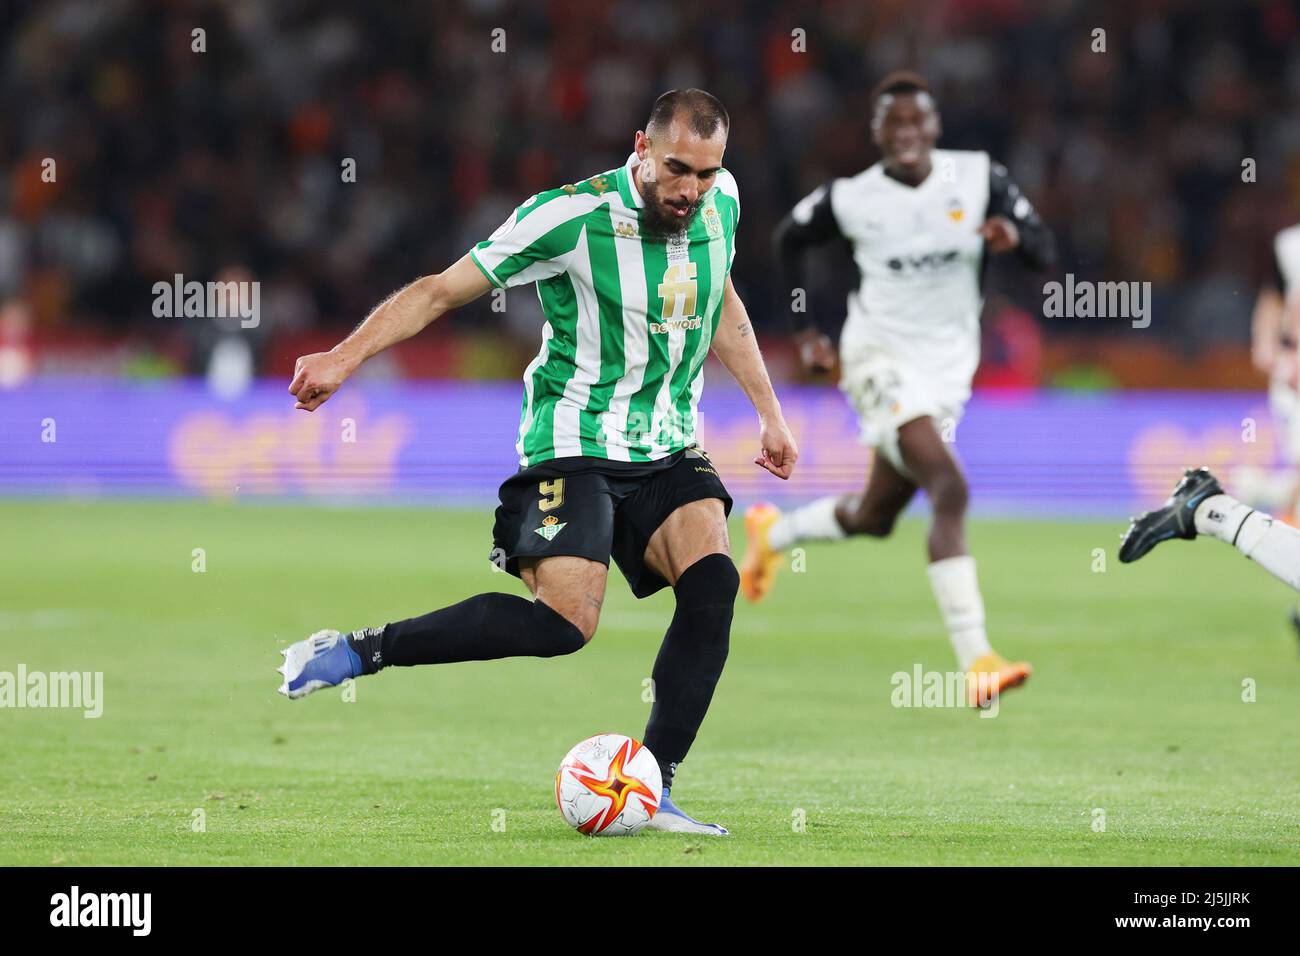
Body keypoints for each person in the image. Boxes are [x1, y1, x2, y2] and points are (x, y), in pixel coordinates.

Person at [279, 90, 798, 835]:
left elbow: (719, 304)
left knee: (714, 579)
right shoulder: (567, 218)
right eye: (678, 169)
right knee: (564, 625)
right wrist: (344, 355)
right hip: (574, 440)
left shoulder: (723, 206)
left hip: (668, 440)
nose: (691, 190)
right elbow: (438, 292)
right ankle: (366, 650)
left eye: (707, 174)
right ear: (642, 149)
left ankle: (653, 783)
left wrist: (769, 412)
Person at [740, 71, 1054, 706]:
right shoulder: (852, 197)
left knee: (874, 517)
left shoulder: (979, 177)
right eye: (895, 123)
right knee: (950, 487)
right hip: (876, 358)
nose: (908, 133)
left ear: (935, 128)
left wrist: (1014, 239)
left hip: (946, 371)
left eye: (919, 122)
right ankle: (977, 660)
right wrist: (805, 331)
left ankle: (771, 534)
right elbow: (787, 240)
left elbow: (1046, 251)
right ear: (877, 132)